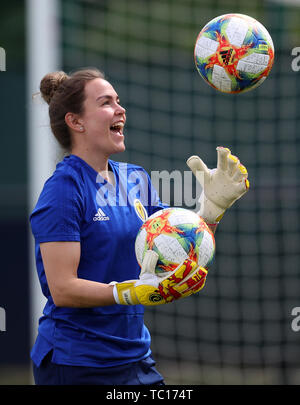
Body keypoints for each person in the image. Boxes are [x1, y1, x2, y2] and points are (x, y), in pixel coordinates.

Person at [30, 67, 249, 385]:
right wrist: (129, 293)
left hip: (134, 358)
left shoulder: (135, 178)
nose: (120, 109)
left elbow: (179, 252)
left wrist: (210, 210)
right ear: (76, 122)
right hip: (77, 362)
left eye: (118, 100)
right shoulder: (64, 189)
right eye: (106, 102)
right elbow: (63, 289)